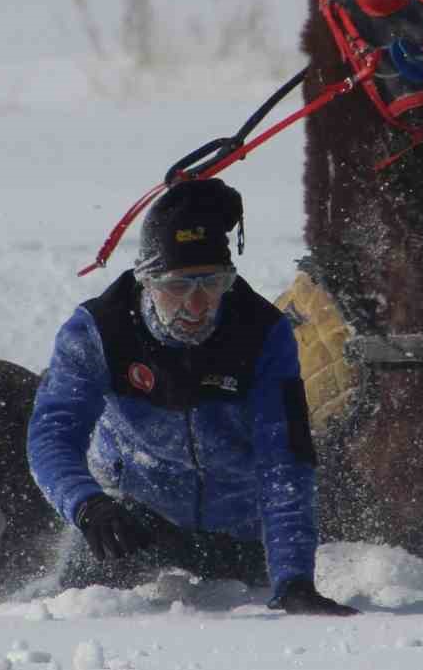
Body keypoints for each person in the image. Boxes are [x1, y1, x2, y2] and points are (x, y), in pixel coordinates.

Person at [27, 178, 357, 616]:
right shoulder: (96, 332)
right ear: (146, 280)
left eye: (212, 284)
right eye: (178, 287)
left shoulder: (263, 333)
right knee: (69, 607)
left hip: (241, 535)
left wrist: (294, 580)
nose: (197, 305)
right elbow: (52, 437)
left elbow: (286, 464)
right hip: (131, 522)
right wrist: (87, 505)